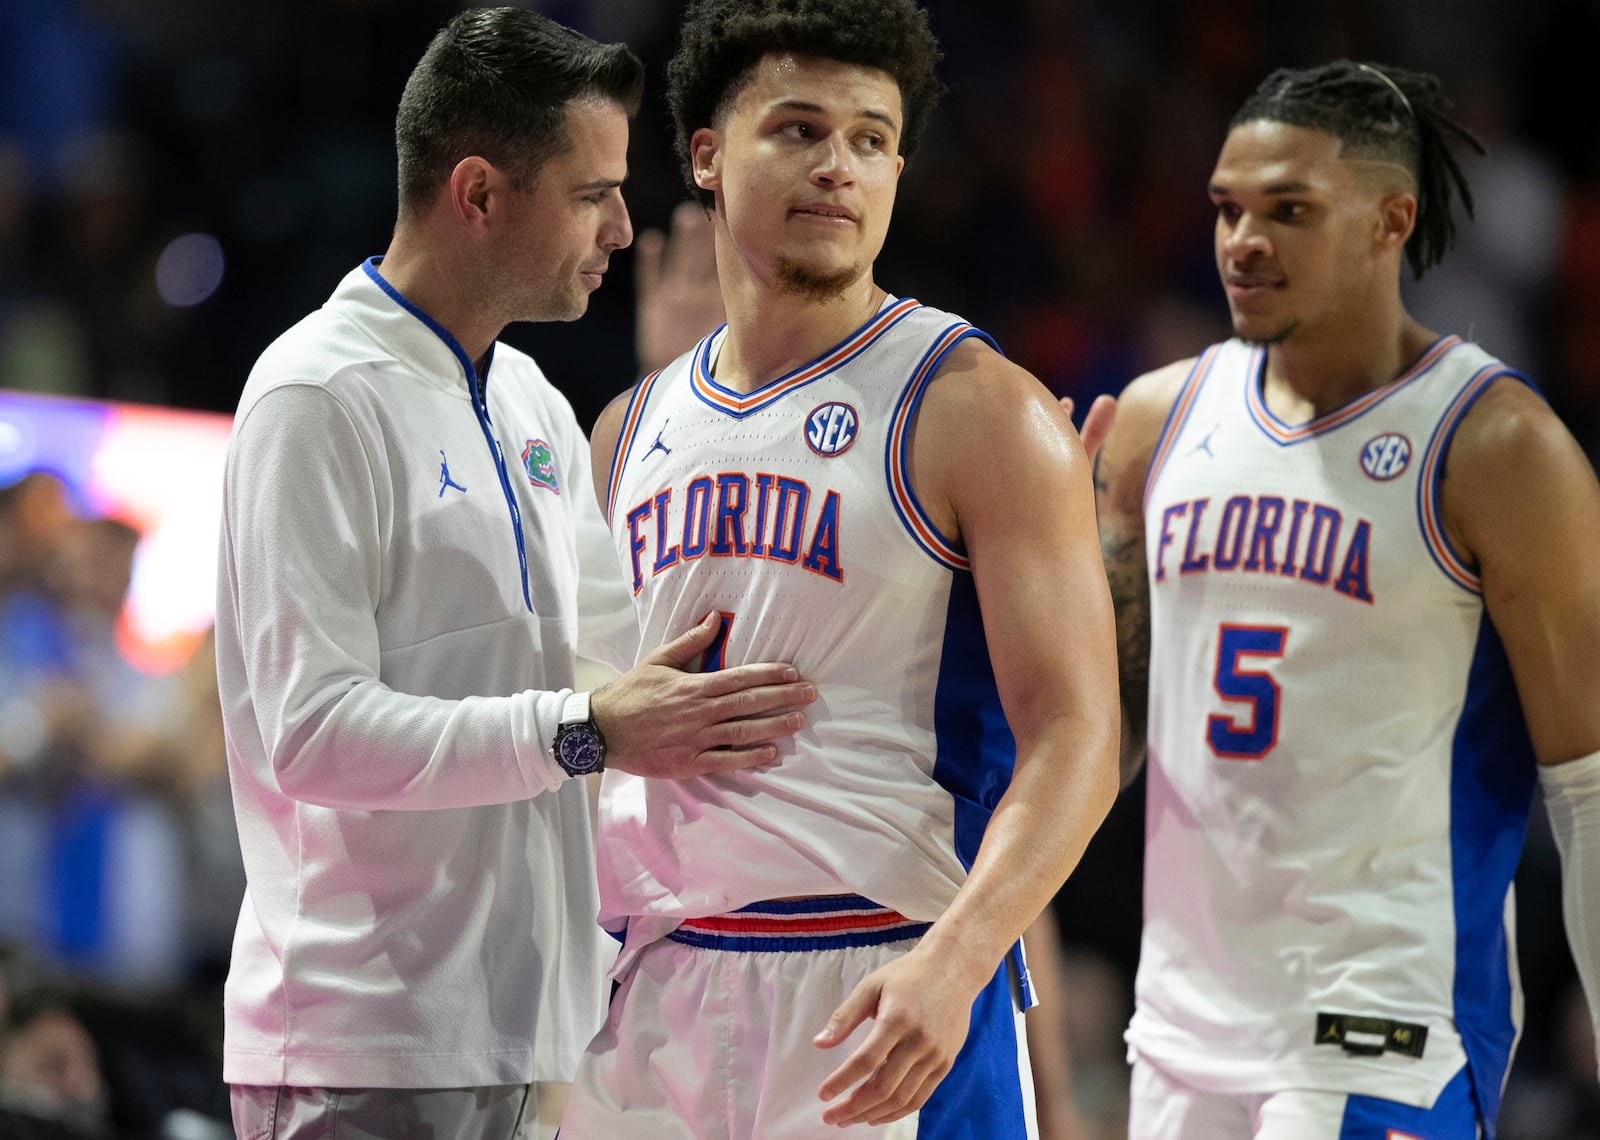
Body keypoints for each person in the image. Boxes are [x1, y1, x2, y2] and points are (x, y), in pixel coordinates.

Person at [215, 8, 817, 1138]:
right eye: (593, 193)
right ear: (480, 194)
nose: (624, 225)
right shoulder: (314, 395)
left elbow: (628, 655)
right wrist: (582, 730)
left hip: (527, 1037)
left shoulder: (533, 400)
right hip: (361, 1044)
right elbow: (313, 731)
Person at [559, 1, 1121, 1136]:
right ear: (709, 156)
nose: (838, 167)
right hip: (649, 995)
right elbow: (585, 733)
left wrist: (959, 965)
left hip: (883, 977)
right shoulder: (625, 429)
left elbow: (1079, 737)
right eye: (799, 130)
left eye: (870, 139)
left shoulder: (976, 406)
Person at [1081, 60, 1600, 1138]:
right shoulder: (1153, 421)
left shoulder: (1499, 450)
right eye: (1226, 208)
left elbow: (1587, 789)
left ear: (1388, 221)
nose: (1242, 241)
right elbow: (1105, 734)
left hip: (1383, 1028)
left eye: (1288, 210)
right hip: (1181, 1024)